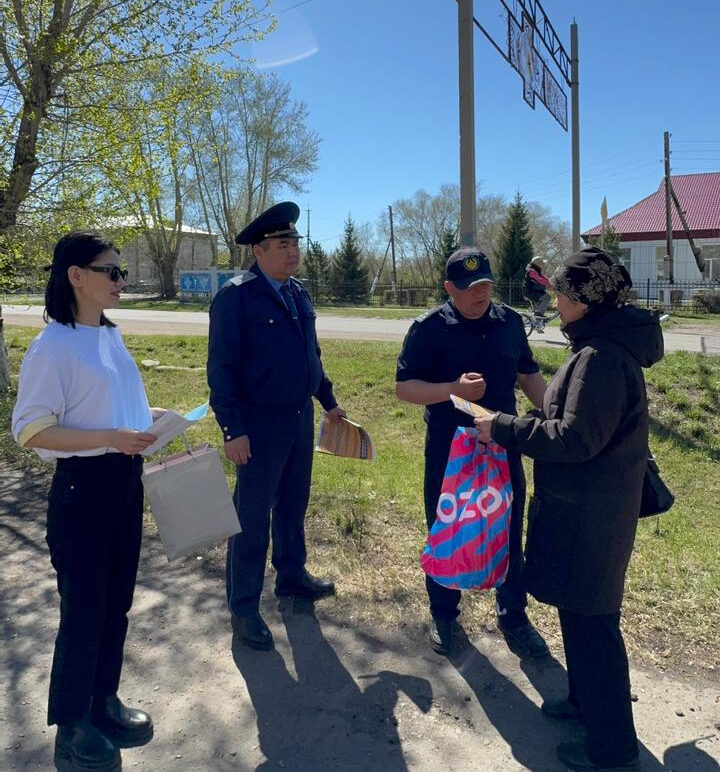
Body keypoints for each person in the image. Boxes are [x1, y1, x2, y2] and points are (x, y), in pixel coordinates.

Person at [474, 247, 663, 772]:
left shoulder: (600, 357)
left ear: (583, 299)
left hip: (592, 517)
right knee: (580, 618)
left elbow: (576, 440)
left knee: (593, 627)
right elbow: (575, 423)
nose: (554, 300)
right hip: (590, 510)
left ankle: (612, 749)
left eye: (560, 292)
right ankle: (585, 703)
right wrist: (534, 420)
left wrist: (504, 427)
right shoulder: (597, 347)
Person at [12, 231, 161, 772]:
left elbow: (112, 407)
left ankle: (103, 700)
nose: (121, 280)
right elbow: (31, 431)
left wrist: (151, 422)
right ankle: (72, 725)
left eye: (122, 272)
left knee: (116, 602)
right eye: (111, 271)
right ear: (76, 276)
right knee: (83, 610)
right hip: (82, 489)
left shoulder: (110, 337)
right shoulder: (52, 346)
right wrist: (111, 438)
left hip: (124, 482)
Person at [395, 247, 549, 658]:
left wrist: (556, 412)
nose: (479, 293)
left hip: (502, 443)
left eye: (484, 284)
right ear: (449, 288)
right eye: (468, 287)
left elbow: (528, 374)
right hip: (451, 453)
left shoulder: (509, 322)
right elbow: (404, 388)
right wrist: (453, 390)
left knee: (508, 528)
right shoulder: (429, 328)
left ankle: (514, 616)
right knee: (446, 529)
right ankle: (444, 614)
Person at [207, 201, 345, 651]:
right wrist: (232, 429)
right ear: (259, 251)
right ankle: (243, 608)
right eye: (282, 244)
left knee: (292, 504)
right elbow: (221, 370)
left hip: (299, 417)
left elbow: (311, 356)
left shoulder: (298, 293)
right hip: (258, 423)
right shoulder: (236, 296)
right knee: (251, 518)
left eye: (295, 243)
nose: (292, 251)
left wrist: (328, 401)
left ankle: (291, 575)